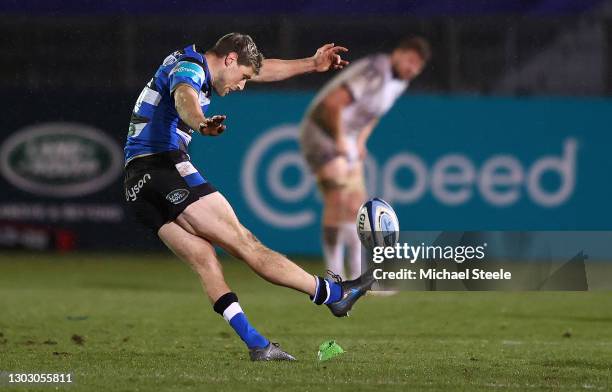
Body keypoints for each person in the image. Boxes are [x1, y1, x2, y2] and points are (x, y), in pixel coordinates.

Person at [123, 33, 376, 362]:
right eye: (242, 77)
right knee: (246, 243)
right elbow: (185, 96)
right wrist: (200, 122)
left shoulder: (191, 63)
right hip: (162, 166)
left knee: (206, 262)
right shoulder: (191, 68)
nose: (242, 86)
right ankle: (333, 295)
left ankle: (257, 344)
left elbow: (263, 70)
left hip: (136, 186)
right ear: (229, 59)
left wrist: (312, 64)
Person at [299, 35, 430, 280]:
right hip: (322, 131)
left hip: (346, 135)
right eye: (410, 60)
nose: (413, 68)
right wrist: (340, 139)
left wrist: (360, 141)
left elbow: (374, 113)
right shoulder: (375, 71)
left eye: (418, 66)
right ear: (398, 54)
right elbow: (332, 104)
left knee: (356, 206)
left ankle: (359, 278)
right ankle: (334, 276)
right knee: (337, 196)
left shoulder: (399, 83)